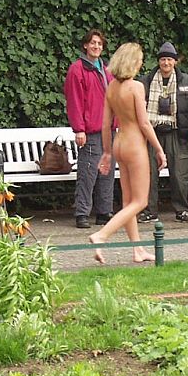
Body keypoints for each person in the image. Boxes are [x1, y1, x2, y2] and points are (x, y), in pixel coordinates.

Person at [89, 42, 167, 264]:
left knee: (128, 201)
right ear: (132, 63)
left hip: (119, 144)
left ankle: (137, 250)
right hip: (134, 145)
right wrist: (159, 149)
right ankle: (102, 235)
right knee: (140, 201)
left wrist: (106, 152)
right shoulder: (136, 87)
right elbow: (144, 123)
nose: (141, 64)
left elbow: (105, 125)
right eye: (140, 60)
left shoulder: (111, 87)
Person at [137, 41, 188, 223]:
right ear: (158, 61)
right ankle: (149, 211)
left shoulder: (187, 82)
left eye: (169, 59)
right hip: (152, 132)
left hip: (177, 133)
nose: (166, 63)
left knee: (179, 173)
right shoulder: (146, 81)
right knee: (148, 173)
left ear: (175, 62)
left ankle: (182, 210)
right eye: (163, 59)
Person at [63, 29, 116, 229]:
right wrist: (79, 129)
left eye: (99, 44)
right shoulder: (77, 69)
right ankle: (82, 213)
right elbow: (75, 101)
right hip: (91, 130)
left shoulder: (107, 69)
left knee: (107, 173)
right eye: (93, 43)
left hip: (109, 130)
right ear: (85, 45)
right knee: (87, 173)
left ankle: (104, 212)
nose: (96, 46)